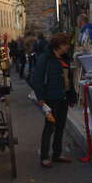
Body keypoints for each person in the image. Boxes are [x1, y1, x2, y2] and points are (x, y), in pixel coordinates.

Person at [32, 33, 74, 168]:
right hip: (50, 98)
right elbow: (37, 79)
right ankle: (44, 156)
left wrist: (71, 96)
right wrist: (40, 99)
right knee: (49, 127)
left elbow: (69, 80)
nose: (68, 47)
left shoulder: (65, 58)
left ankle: (57, 154)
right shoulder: (45, 58)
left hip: (63, 97)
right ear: (59, 45)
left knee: (60, 127)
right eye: (66, 44)